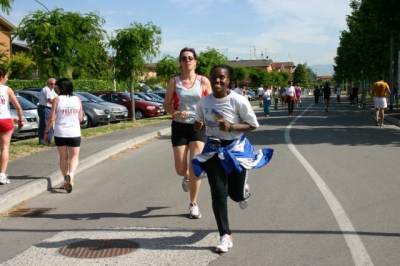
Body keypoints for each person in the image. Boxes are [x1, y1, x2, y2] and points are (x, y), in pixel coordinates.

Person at [192, 64, 273, 253]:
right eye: (214, 76)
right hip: (213, 149)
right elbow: (200, 127)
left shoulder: (238, 100)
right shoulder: (203, 103)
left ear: (229, 80)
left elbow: (253, 124)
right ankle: (225, 235)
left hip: (236, 150)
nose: (217, 80)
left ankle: (243, 189)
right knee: (218, 193)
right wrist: (198, 126)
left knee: (235, 196)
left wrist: (232, 128)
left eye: (222, 77)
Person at [163, 47, 212, 219]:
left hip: (198, 127)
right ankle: (186, 177)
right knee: (181, 169)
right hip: (179, 127)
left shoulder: (203, 81)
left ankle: (193, 204)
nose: (187, 60)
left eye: (190, 57)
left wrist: (206, 119)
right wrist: (175, 112)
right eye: (184, 58)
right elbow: (166, 104)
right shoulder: (174, 81)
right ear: (180, 63)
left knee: (195, 167)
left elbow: (211, 104)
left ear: (195, 62)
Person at [44, 78, 83, 193]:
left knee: (63, 157)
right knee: (74, 157)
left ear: (60, 88)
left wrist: (46, 132)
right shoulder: (77, 99)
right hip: (74, 132)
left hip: (60, 132)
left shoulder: (57, 99)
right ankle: (71, 175)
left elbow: (51, 118)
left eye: (57, 87)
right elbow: (80, 118)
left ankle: (66, 180)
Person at [0, 67, 24, 185]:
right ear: (2, 76)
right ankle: (2, 175)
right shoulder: (7, 89)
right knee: (4, 147)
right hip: (4, 119)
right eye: (7, 76)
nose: (7, 78)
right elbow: (18, 107)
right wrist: (20, 120)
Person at [38, 78, 58, 145]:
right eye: (51, 84)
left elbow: (57, 99)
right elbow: (50, 100)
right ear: (48, 83)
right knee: (45, 124)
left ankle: (48, 140)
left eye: (54, 84)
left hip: (49, 108)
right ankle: (43, 140)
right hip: (45, 108)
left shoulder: (52, 91)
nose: (52, 85)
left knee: (50, 125)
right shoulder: (46, 89)